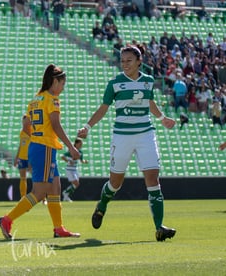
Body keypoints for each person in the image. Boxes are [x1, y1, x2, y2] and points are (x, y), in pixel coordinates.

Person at [77, 45, 177, 242]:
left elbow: (150, 103)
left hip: (146, 134)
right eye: (122, 61)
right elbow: (103, 108)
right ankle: (102, 206)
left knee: (153, 179)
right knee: (115, 183)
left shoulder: (148, 81)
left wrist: (162, 118)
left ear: (139, 61)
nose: (125, 64)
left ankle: (159, 227)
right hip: (122, 137)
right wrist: (87, 127)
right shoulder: (115, 83)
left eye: (129, 61)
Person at [0, 64, 81, 239]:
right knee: (39, 191)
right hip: (45, 148)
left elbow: (26, 125)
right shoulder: (52, 100)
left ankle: (59, 228)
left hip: (37, 147)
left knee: (55, 188)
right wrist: (71, 147)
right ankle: (7, 220)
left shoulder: (35, 99)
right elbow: (56, 125)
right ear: (55, 81)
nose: (63, 88)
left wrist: (36, 136)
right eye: (63, 83)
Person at [61, 138, 88, 202]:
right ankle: (65, 193)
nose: (81, 145)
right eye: (80, 143)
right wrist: (68, 161)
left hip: (75, 169)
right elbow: (62, 156)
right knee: (76, 183)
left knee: (76, 184)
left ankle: (66, 194)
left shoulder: (80, 152)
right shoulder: (72, 150)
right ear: (76, 143)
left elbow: (81, 161)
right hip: (69, 170)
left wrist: (85, 161)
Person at [14, 114, 32, 197]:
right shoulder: (22, 133)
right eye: (23, 121)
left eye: (26, 120)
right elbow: (21, 145)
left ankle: (43, 198)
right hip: (22, 158)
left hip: (30, 158)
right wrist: (16, 157)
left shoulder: (33, 132)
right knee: (23, 178)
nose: (24, 123)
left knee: (36, 178)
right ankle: (23, 197)